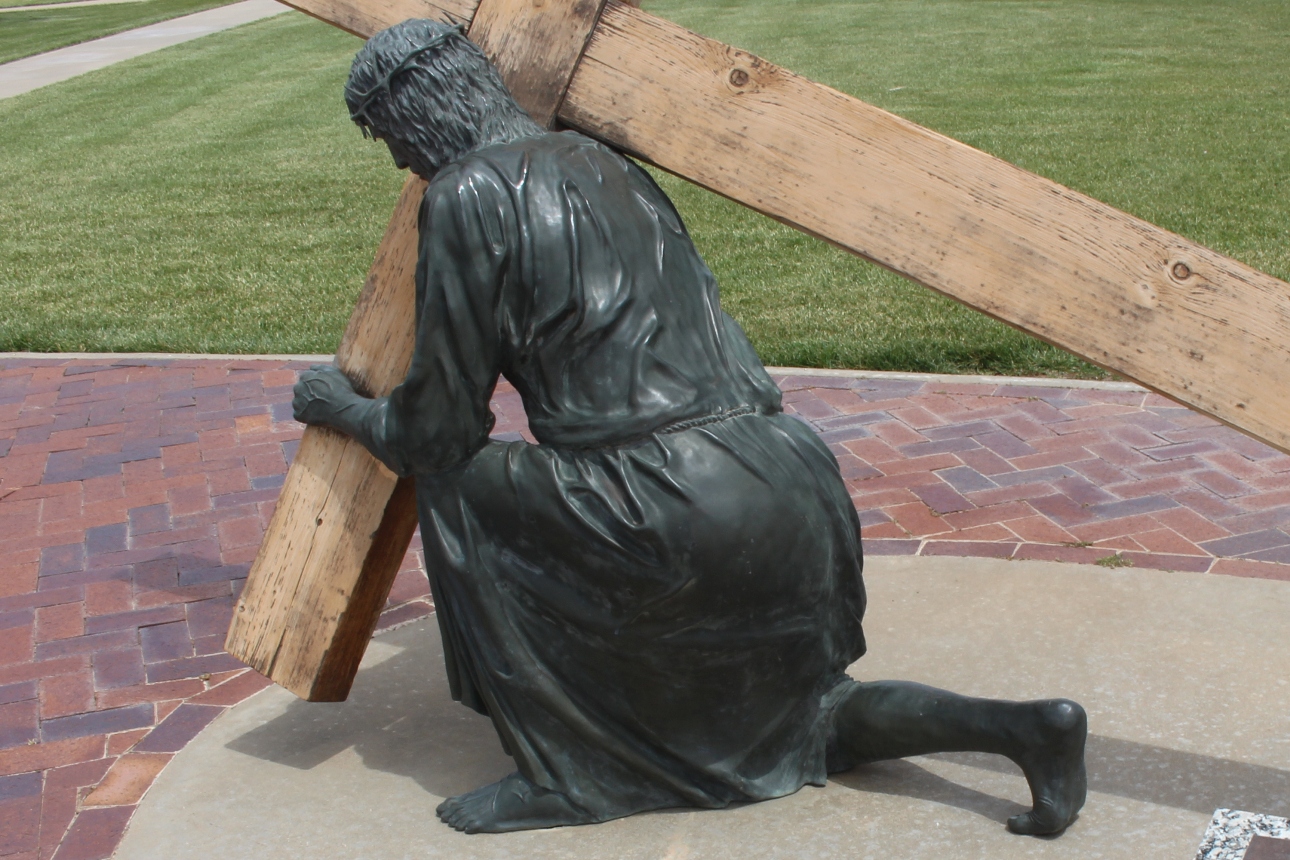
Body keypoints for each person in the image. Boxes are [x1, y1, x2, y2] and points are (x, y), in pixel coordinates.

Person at [292, 18, 1088, 837]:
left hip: (659, 499)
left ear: (416, 110)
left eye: (389, 134)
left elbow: (438, 429)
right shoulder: (609, 163)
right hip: (787, 475)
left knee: (456, 480)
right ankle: (1025, 728)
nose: (397, 159)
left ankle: (570, 771)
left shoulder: (467, 191)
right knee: (806, 720)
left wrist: (343, 408)